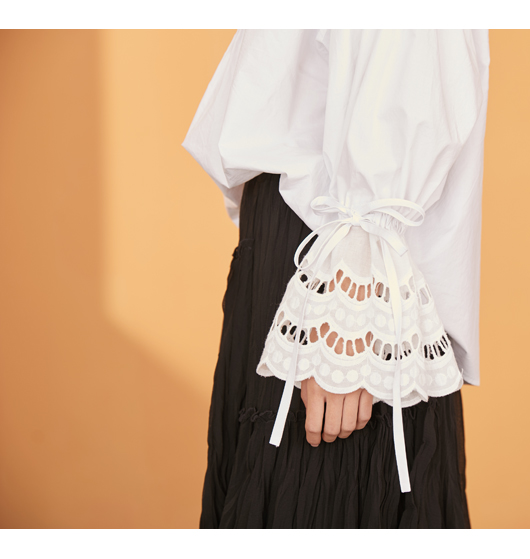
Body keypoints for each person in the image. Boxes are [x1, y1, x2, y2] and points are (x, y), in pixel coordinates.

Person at [183, 29, 490, 528]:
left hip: (340, 252)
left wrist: (350, 315)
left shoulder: (354, 248)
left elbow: (405, 46)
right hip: (312, 240)